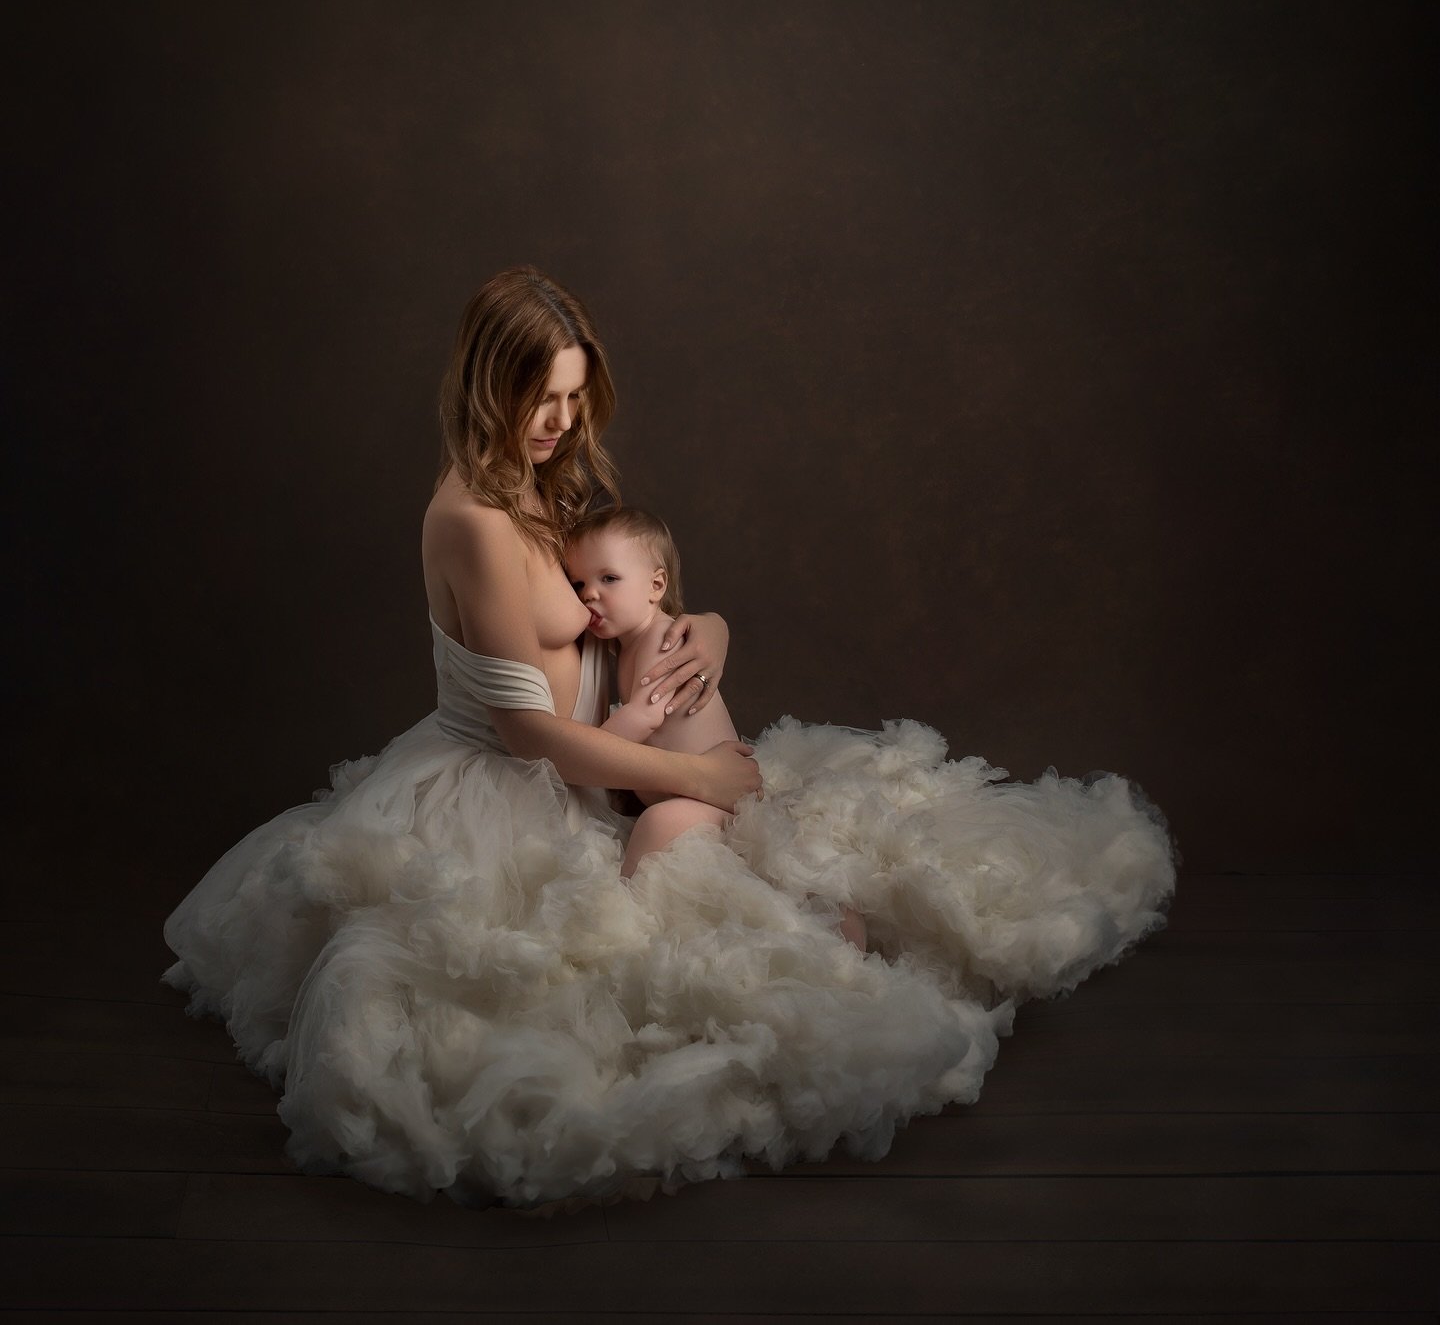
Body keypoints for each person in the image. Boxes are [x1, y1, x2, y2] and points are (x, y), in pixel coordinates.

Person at [162, 264, 1177, 1218]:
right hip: (520, 774)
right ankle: (776, 920)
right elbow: (530, 729)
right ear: (486, 385)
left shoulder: (536, 481)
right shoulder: (470, 519)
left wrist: (712, 627)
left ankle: (788, 894)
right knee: (571, 968)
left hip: (609, 744)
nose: (561, 422)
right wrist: (691, 769)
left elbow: (623, 582)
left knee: (793, 830)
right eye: (541, 398)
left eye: (572, 396)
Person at [565, 504, 869, 949]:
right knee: (746, 876)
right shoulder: (627, 646)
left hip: (716, 800)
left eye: (608, 578)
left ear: (655, 585)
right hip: (701, 790)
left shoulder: (661, 646)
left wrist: (593, 746)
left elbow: (625, 736)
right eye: (578, 583)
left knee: (665, 825)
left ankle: (619, 932)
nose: (589, 593)